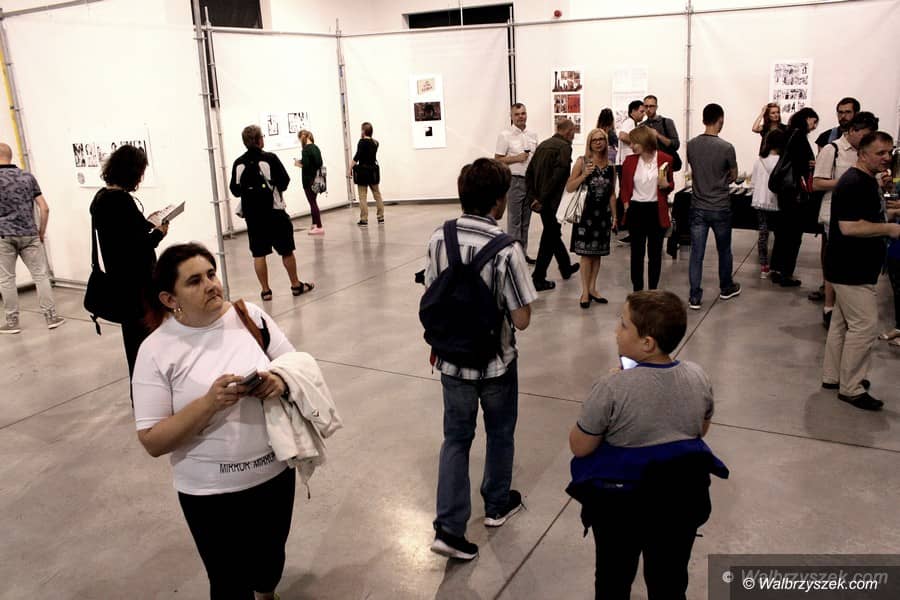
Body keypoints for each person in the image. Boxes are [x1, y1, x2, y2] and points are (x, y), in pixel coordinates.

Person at [133, 243, 297, 598]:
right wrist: (209, 404)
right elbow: (152, 441)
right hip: (209, 492)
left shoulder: (250, 317)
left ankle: (266, 591)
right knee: (228, 582)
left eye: (211, 274)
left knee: (270, 563)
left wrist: (277, 381)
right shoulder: (155, 350)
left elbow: (295, 366)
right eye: (194, 281)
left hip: (275, 473)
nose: (210, 285)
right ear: (169, 298)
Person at [568, 290, 726, 600]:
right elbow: (700, 429)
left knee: (613, 578)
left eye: (623, 324)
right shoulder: (698, 376)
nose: (616, 331)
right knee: (669, 579)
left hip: (621, 507)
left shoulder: (611, 387)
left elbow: (580, 446)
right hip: (681, 501)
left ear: (647, 343)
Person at [424, 158, 537, 561]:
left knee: (456, 438)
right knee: (500, 432)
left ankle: (449, 529)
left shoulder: (440, 238)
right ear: (499, 201)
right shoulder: (507, 249)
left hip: (452, 360)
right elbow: (522, 319)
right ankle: (496, 504)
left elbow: (432, 291)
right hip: (495, 363)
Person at [822, 132, 900, 411]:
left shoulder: (865, 181)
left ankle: (833, 377)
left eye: (889, 152)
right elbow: (849, 226)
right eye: (880, 153)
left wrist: (888, 215)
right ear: (863, 154)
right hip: (851, 268)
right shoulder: (855, 183)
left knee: (842, 324)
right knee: (865, 326)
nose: (886, 158)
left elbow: (865, 216)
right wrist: (890, 228)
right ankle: (851, 387)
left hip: (849, 266)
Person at [90, 144, 167, 376]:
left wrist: (145, 223)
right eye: (140, 173)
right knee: (145, 340)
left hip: (120, 281)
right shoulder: (121, 202)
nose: (141, 179)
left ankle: (141, 387)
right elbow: (138, 246)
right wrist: (159, 233)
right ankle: (149, 387)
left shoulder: (101, 198)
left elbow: (121, 234)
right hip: (137, 284)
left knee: (134, 342)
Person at [230, 125, 313, 302]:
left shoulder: (239, 163)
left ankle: (266, 291)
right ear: (259, 140)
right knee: (286, 250)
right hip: (274, 212)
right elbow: (284, 182)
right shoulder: (269, 158)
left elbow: (235, 190)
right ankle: (295, 285)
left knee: (258, 253)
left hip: (253, 216)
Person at [812, 112, 879, 327]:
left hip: (859, 214)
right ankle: (829, 307)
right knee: (837, 261)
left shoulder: (864, 153)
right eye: (865, 136)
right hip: (834, 213)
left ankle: (842, 309)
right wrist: (849, 181)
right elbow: (817, 183)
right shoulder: (832, 150)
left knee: (850, 262)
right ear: (852, 131)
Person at [0, 142, 65, 334]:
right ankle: (51, 317)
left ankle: (12, 322)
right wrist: (41, 232)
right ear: (10, 156)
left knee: (6, 279)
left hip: (3, 235)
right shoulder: (27, 176)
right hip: (30, 234)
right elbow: (44, 208)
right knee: (40, 276)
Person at [685, 103, 740, 310]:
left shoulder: (691, 145)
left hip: (698, 205)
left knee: (696, 253)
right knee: (724, 250)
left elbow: (695, 170)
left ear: (703, 119)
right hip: (720, 206)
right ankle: (726, 287)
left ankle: (695, 296)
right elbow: (734, 175)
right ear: (721, 120)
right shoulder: (727, 147)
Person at [619, 126, 675, 293]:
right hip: (636, 209)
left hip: (656, 209)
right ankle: (637, 290)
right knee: (636, 254)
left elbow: (670, 184)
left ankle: (652, 291)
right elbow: (624, 187)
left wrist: (667, 185)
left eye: (634, 142)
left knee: (655, 254)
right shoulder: (629, 161)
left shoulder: (665, 159)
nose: (631, 146)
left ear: (644, 142)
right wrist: (626, 203)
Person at [566, 128, 617, 308]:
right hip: (585, 215)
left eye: (601, 139)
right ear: (589, 143)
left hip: (603, 215)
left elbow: (612, 193)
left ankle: (593, 288)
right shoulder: (582, 162)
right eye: (594, 140)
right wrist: (584, 175)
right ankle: (585, 291)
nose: (598, 142)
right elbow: (569, 187)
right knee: (586, 255)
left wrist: (615, 216)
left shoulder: (611, 166)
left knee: (597, 254)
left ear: (605, 142)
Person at [527, 118, 580, 291]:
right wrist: (541, 199)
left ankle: (565, 267)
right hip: (552, 201)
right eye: (573, 132)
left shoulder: (543, 145)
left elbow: (529, 172)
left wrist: (533, 197)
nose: (574, 135)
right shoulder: (564, 147)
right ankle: (538, 277)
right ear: (569, 132)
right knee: (550, 237)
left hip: (542, 200)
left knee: (552, 233)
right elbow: (558, 177)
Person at [769, 107, 819, 288]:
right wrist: (812, 164)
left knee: (783, 231)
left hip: (785, 190)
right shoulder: (799, 136)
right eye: (813, 122)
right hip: (795, 192)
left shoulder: (788, 133)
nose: (814, 126)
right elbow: (801, 165)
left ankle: (776, 269)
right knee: (793, 234)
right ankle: (786, 273)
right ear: (806, 118)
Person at [495, 103, 539, 264]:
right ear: (512, 116)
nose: (521, 116)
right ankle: (513, 258)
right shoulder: (505, 135)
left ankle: (522, 253)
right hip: (515, 181)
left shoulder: (533, 135)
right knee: (514, 222)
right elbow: (497, 159)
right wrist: (517, 158)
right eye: (517, 114)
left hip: (530, 183)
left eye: (523, 113)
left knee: (526, 222)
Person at [750, 129, 786, 279]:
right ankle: (778, 266)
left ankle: (764, 267)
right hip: (776, 201)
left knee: (763, 234)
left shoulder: (759, 160)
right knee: (779, 235)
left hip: (760, 200)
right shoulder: (782, 161)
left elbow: (753, 182)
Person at [349, 122, 384, 227]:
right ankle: (381, 217)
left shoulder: (362, 142)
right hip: (373, 172)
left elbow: (357, 157)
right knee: (377, 195)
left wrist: (349, 168)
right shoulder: (375, 143)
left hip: (363, 172)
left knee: (362, 197)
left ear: (363, 131)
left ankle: (364, 219)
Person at [294, 129, 324, 236]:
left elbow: (306, 166)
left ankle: (319, 226)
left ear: (302, 138)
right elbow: (319, 163)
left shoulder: (305, 150)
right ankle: (314, 224)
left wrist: (298, 163)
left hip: (308, 180)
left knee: (312, 203)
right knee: (313, 202)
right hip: (317, 179)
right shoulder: (316, 147)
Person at [642, 94, 680, 165]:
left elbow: (676, 144)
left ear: (656, 107)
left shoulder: (667, 122)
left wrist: (658, 135)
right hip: (647, 164)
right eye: (646, 106)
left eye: (651, 106)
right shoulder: (642, 126)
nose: (648, 109)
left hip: (665, 164)